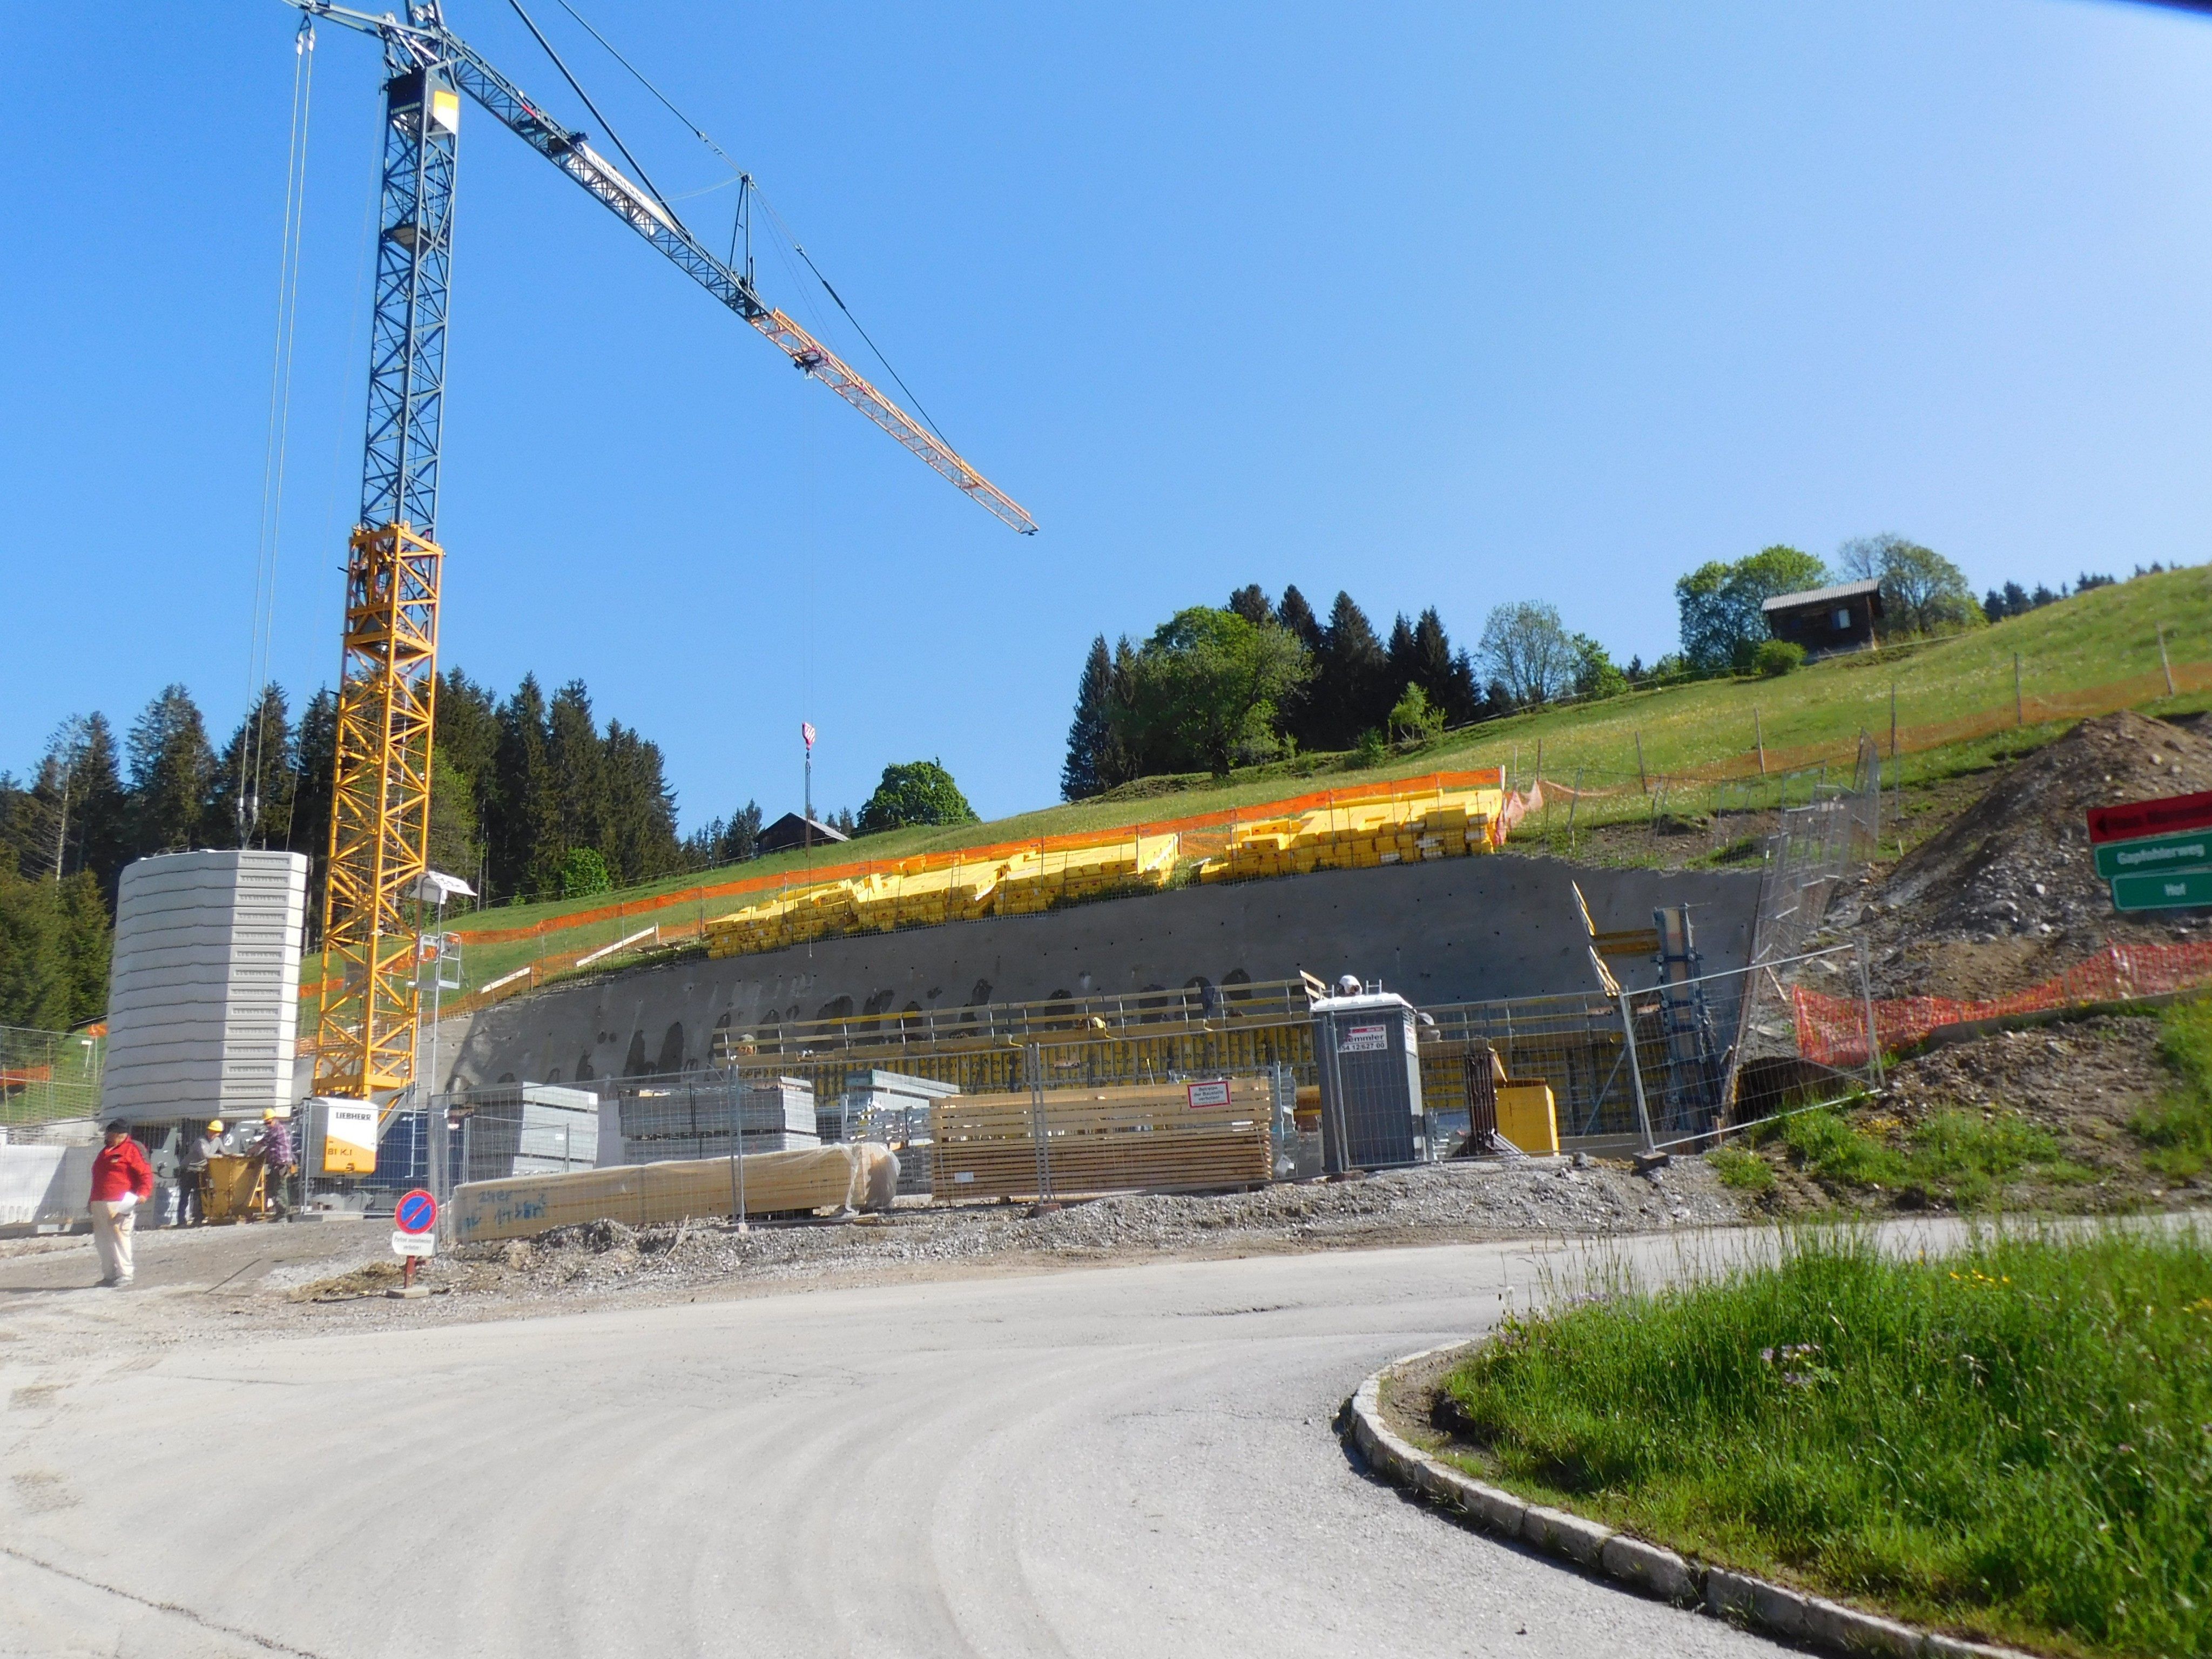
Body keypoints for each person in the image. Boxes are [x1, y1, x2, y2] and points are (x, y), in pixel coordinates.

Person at [88, 1121, 154, 1288]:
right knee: (102, 1239)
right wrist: (91, 1201)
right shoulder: (105, 1152)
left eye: (110, 1135)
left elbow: (145, 1174)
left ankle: (125, 1274)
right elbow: (98, 1178)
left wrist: (143, 1194)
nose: (107, 1138)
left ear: (120, 1135)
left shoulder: (132, 1150)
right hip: (100, 1201)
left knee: (120, 1237)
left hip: (121, 1202)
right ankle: (110, 1274)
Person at [178, 1119, 221, 1227]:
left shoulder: (218, 1141)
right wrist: (220, 1157)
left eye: (214, 1132)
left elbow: (225, 1152)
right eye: (210, 1131)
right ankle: (181, 1221)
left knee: (201, 1196)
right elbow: (205, 1155)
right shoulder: (201, 1141)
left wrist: (233, 1156)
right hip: (188, 1171)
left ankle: (198, 1219)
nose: (211, 1133)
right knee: (185, 1196)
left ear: (219, 1133)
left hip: (201, 1172)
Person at [255, 1110, 295, 1215]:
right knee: (275, 1187)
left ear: (275, 1119)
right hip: (278, 1163)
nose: (267, 1125)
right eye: (266, 1123)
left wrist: (251, 1151)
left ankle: (282, 1214)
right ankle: (279, 1212)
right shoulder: (276, 1129)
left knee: (280, 1188)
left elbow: (264, 1142)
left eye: (269, 1122)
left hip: (281, 1163)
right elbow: (269, 1146)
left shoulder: (277, 1129)